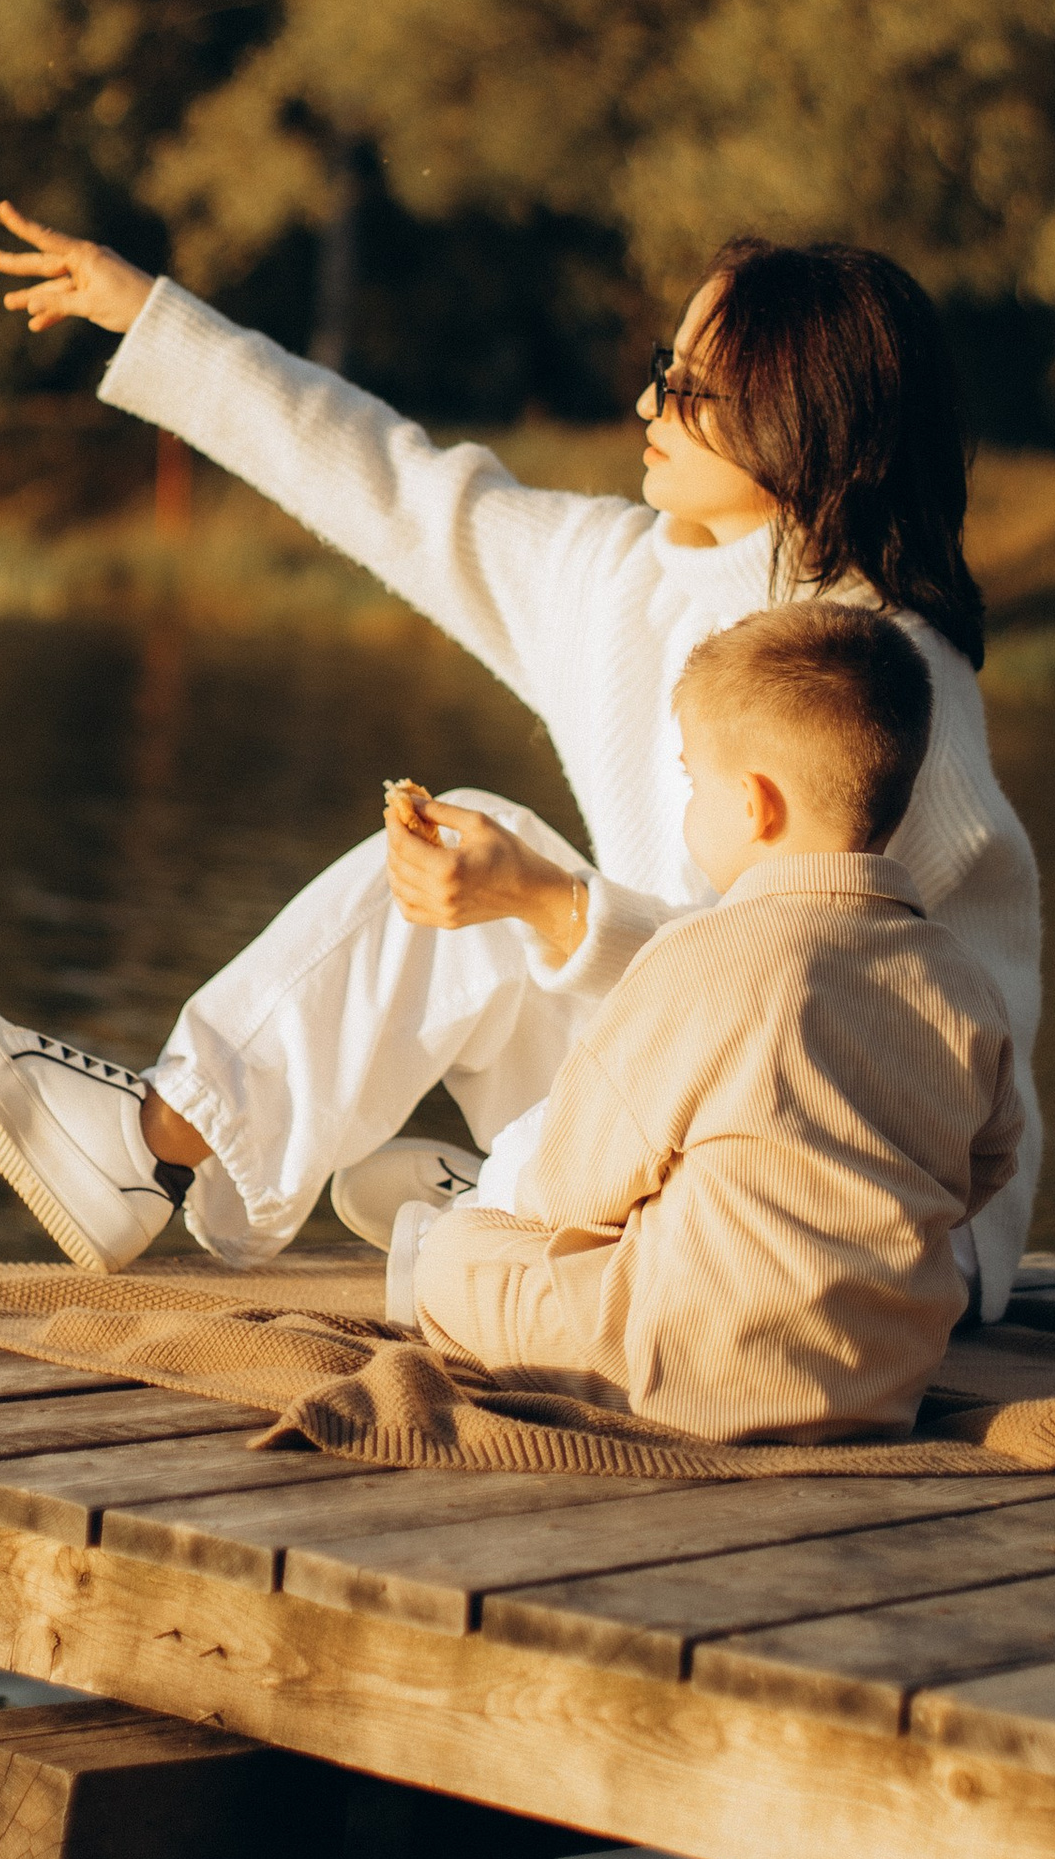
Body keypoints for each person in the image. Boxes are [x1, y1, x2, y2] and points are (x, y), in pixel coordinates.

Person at [0, 207, 1044, 1316]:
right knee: (456, 857)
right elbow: (389, 484)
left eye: (688, 388)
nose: (646, 403)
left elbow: (809, 1006)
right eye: (662, 368)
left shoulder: (881, 680)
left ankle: (486, 1209)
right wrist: (154, 318)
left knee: (514, 890)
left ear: (796, 419)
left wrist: (554, 906)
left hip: (868, 1212)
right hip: (685, 1122)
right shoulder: (619, 579)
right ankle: (163, 1148)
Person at [393, 602, 1022, 1438]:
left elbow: (574, 1182)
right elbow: (987, 1163)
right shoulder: (961, 981)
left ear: (756, 806)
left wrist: (518, 1217)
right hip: (876, 1385)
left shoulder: (705, 954)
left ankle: (451, 1213)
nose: (689, 804)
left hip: (675, 1365)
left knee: (456, 1258)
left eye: (692, 782)